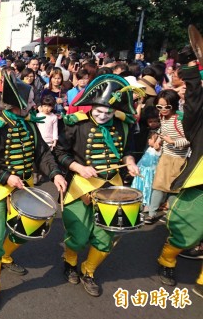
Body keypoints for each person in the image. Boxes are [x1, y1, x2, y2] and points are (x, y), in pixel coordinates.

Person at [0, 71, 66, 315]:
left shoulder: (30, 126)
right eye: (31, 100)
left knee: (27, 230)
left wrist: (55, 173)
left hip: (23, 189)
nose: (34, 104)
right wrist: (6, 177)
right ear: (20, 105)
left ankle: (4, 256)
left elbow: (43, 155)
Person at [53, 74, 141, 297]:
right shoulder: (76, 123)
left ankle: (88, 271)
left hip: (112, 187)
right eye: (98, 111)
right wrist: (78, 168)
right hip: (81, 186)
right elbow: (59, 153)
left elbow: (127, 151)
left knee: (106, 237)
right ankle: (70, 261)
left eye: (108, 113)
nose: (103, 116)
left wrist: (129, 162)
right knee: (79, 235)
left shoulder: (124, 125)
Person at [155, 51, 203, 298]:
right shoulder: (196, 117)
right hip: (199, 179)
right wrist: (193, 69)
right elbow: (194, 101)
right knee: (188, 227)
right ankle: (167, 260)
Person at [145, 89, 189, 224]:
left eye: (167, 106)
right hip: (165, 156)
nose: (163, 109)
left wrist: (173, 142)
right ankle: (152, 213)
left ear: (174, 105)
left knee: (173, 189)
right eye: (159, 106)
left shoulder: (179, 120)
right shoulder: (163, 117)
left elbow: (189, 140)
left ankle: (171, 215)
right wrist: (158, 140)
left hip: (178, 159)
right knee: (158, 186)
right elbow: (162, 131)